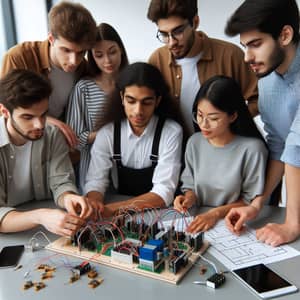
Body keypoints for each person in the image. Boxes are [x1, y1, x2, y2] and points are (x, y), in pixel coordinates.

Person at [225, 0, 300, 246]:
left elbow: (295, 150)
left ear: (285, 35)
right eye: (244, 46)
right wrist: (257, 204)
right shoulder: (266, 81)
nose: (247, 57)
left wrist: (291, 224)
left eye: (256, 44)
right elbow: (279, 145)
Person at [0, 69, 99, 236]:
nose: (39, 125)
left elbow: (60, 183)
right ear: (4, 112)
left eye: (43, 114)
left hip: (45, 233)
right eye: (28, 117)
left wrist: (68, 197)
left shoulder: (52, 134)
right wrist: (41, 216)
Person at [84, 62, 183, 217]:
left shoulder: (171, 132)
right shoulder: (107, 133)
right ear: (122, 98)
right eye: (131, 101)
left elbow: (164, 191)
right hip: (118, 212)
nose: (138, 111)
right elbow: (96, 181)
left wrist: (111, 210)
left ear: (158, 101)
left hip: (159, 213)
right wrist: (93, 206)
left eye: (147, 102)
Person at [147, 0, 258, 135]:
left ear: (195, 22)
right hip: (174, 152)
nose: (171, 42)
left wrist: (229, 129)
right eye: (164, 34)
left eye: (178, 31)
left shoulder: (231, 55)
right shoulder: (157, 60)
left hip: (225, 150)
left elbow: (258, 100)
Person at [174, 76, 268, 233]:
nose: (203, 124)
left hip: (234, 224)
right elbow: (190, 186)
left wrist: (214, 214)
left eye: (213, 118)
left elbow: (250, 201)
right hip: (198, 222)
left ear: (233, 116)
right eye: (199, 115)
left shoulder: (253, 150)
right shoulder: (194, 142)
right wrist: (188, 198)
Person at [0, 1, 97, 148]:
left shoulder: (84, 68)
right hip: (20, 145)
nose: (74, 61)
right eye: (66, 50)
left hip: (57, 147)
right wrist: (49, 120)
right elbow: (4, 109)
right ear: (51, 39)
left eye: (81, 52)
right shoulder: (19, 57)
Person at [66, 23, 129, 191]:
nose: (107, 61)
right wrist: (107, 134)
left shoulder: (132, 83)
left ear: (121, 49)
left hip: (131, 171)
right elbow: (74, 139)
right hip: (93, 174)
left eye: (112, 52)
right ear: (91, 57)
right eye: (99, 55)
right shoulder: (84, 88)